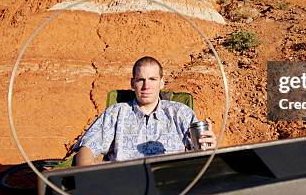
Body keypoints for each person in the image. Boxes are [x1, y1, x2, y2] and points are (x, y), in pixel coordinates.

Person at [75, 56, 217, 166]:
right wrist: (88, 176)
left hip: (171, 184)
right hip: (124, 186)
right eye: (140, 80)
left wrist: (209, 146)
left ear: (162, 83)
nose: (146, 86)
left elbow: (200, 154)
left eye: (153, 79)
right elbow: (86, 149)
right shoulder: (116, 113)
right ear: (132, 83)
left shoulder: (180, 113)